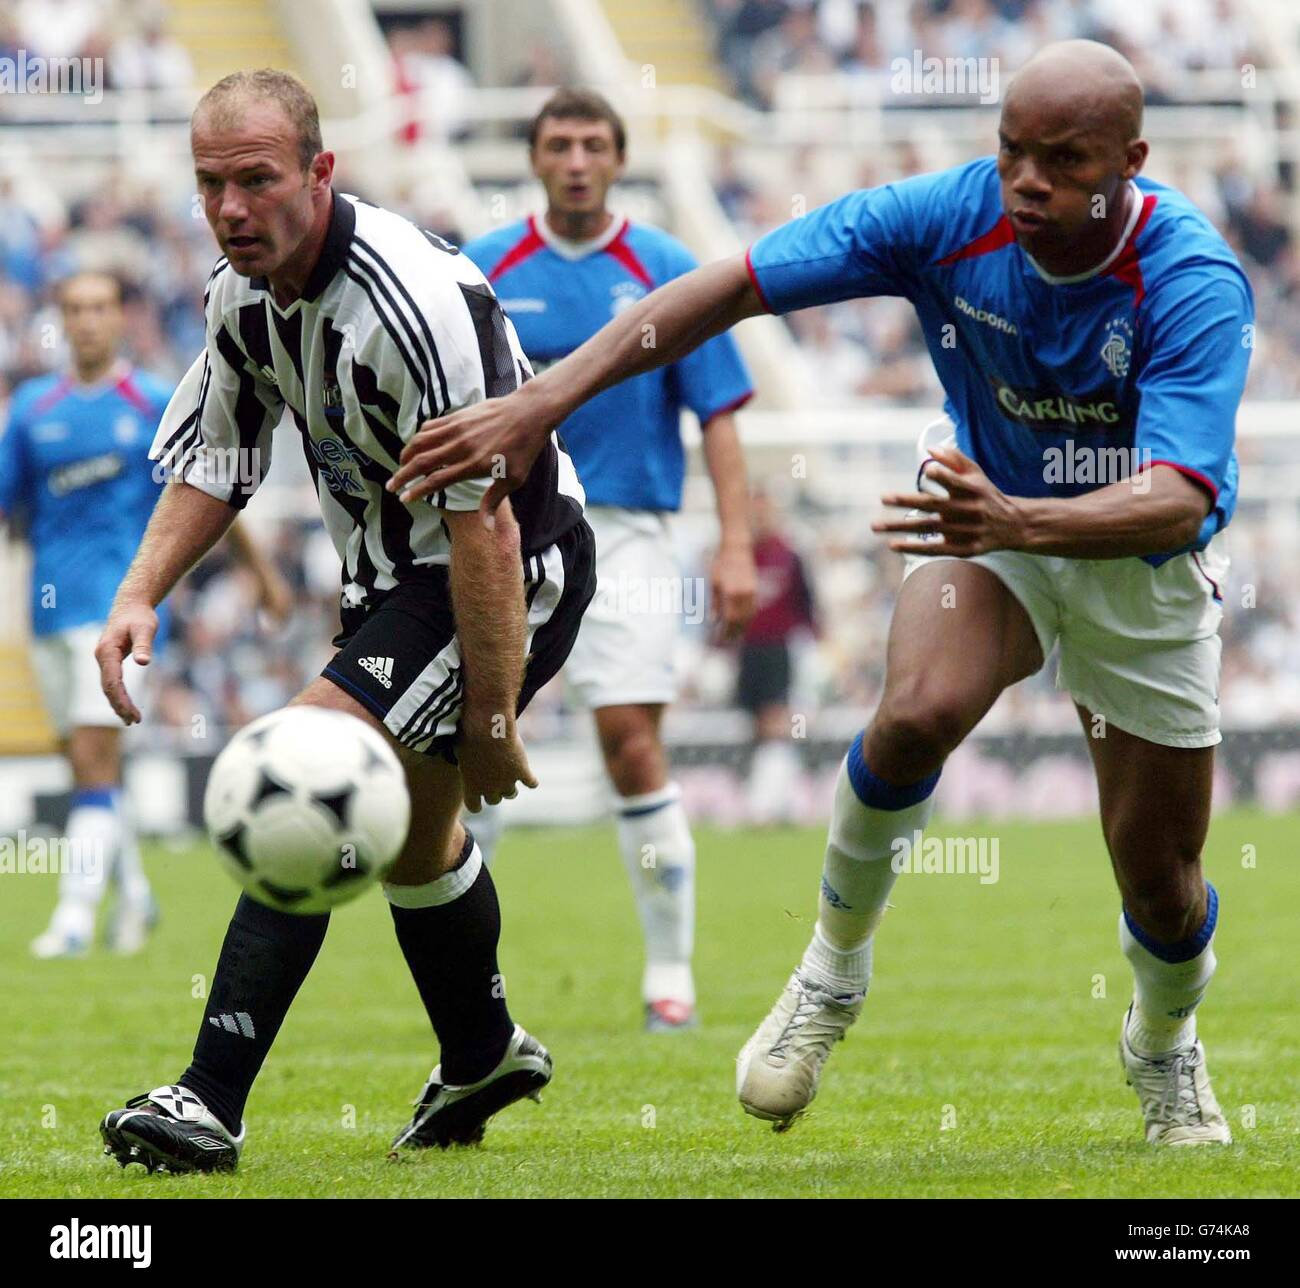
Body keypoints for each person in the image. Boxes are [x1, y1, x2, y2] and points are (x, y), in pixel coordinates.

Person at [390, 41, 1252, 1146]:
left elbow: (1178, 499)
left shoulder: (1189, 275)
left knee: (1163, 886)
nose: (1027, 181)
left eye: (1062, 160)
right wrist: (542, 399)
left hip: (1132, 564)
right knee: (911, 715)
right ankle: (829, 977)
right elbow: (727, 287)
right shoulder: (944, 215)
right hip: (984, 524)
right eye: (1010, 153)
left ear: (1129, 160)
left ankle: (1163, 1044)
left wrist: (1020, 518)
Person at [94, 69, 594, 1174]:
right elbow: (217, 463)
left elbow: (489, 533)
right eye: (211, 184)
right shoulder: (241, 295)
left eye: (257, 180)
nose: (231, 208)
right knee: (415, 846)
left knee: (309, 767)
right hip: (395, 583)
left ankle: (207, 1100)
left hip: (511, 565)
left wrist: (497, 715)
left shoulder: (411, 299)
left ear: (320, 173)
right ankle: (483, 1052)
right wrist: (138, 596)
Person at [459, 89, 756, 1032]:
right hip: (506, 530)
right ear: (536, 159)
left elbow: (719, 413)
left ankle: (670, 974)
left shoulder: (665, 267)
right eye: (560, 143)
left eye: (594, 143)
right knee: (479, 740)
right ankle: (471, 988)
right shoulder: (486, 266)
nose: (577, 158)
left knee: (630, 739)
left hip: (627, 533)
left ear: (619, 159)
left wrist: (740, 545)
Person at [0, 269, 287, 959]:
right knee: (86, 767)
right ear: (60, 319)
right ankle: (135, 895)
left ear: (121, 316)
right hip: (48, 611)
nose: (88, 320)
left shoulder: (154, 400)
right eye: (74, 307)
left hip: (122, 613)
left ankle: (72, 918)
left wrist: (264, 576)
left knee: (95, 759)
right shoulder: (34, 409)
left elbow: (214, 487)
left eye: (100, 306)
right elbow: (10, 507)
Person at [735, 489, 817, 826]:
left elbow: (808, 607)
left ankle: (769, 804)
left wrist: (814, 648)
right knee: (757, 725)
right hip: (748, 649)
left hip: (778, 649)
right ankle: (774, 799)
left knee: (775, 722)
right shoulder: (739, 558)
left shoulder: (789, 557)